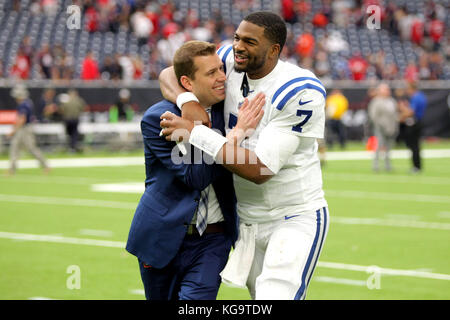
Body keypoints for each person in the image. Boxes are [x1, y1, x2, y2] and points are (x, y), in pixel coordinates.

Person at [159, 11, 329, 300]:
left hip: (292, 215)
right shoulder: (229, 59)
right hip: (246, 219)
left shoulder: (299, 90)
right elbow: (169, 73)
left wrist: (196, 132)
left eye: (249, 42)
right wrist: (187, 100)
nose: (238, 46)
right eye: (237, 38)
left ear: (274, 50)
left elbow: (260, 170)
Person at [126, 40, 264, 300]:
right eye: (212, 73)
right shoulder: (161, 118)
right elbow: (195, 176)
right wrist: (233, 138)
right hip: (162, 236)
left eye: (222, 69)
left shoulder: (230, 113)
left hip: (213, 239)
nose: (223, 77)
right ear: (188, 83)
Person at [6, 85, 49, 175]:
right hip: (24, 128)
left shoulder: (24, 104)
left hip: (25, 129)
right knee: (15, 146)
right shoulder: (28, 102)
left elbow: (22, 119)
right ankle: (12, 169)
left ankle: (45, 165)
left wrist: (13, 131)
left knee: (30, 148)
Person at [367, 83, 399, 172]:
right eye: (385, 90)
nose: (388, 91)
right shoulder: (376, 101)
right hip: (380, 128)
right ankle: (376, 165)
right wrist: (380, 125)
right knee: (378, 146)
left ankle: (388, 165)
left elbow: (395, 114)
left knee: (389, 148)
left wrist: (394, 126)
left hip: (391, 128)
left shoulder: (391, 101)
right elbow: (373, 115)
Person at [399, 81, 428, 173]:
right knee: (415, 146)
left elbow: (411, 112)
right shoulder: (420, 96)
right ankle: (417, 166)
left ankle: (416, 166)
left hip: (414, 123)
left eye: (408, 89)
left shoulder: (416, 97)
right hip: (418, 122)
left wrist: (402, 111)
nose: (407, 91)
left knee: (414, 146)